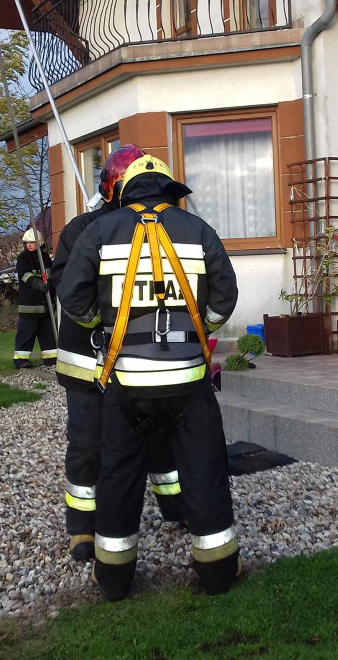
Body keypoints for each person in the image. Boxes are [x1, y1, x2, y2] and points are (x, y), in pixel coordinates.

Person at [58, 152, 240, 601]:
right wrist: (200, 330)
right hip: (188, 381)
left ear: (122, 192)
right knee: (205, 469)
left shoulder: (100, 229)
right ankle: (217, 573)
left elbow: (72, 294)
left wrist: (102, 331)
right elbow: (225, 295)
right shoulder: (197, 228)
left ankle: (115, 580)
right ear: (167, 189)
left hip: (127, 385)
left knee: (118, 475)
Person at [49, 144, 187, 562]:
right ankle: (82, 528)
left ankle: (176, 508)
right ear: (115, 188)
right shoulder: (80, 231)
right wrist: (103, 325)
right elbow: (69, 289)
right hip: (90, 361)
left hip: (140, 361)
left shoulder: (158, 226)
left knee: (159, 436)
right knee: (88, 442)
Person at [13, 227, 57, 369]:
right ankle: (21, 361)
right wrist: (38, 284)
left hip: (45, 305)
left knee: (48, 334)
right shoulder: (23, 259)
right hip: (29, 305)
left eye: (32, 242)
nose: (29, 245)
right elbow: (25, 276)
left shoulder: (45, 258)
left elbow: (50, 275)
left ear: (39, 243)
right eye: (27, 243)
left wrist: (50, 287)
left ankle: (51, 359)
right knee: (26, 334)